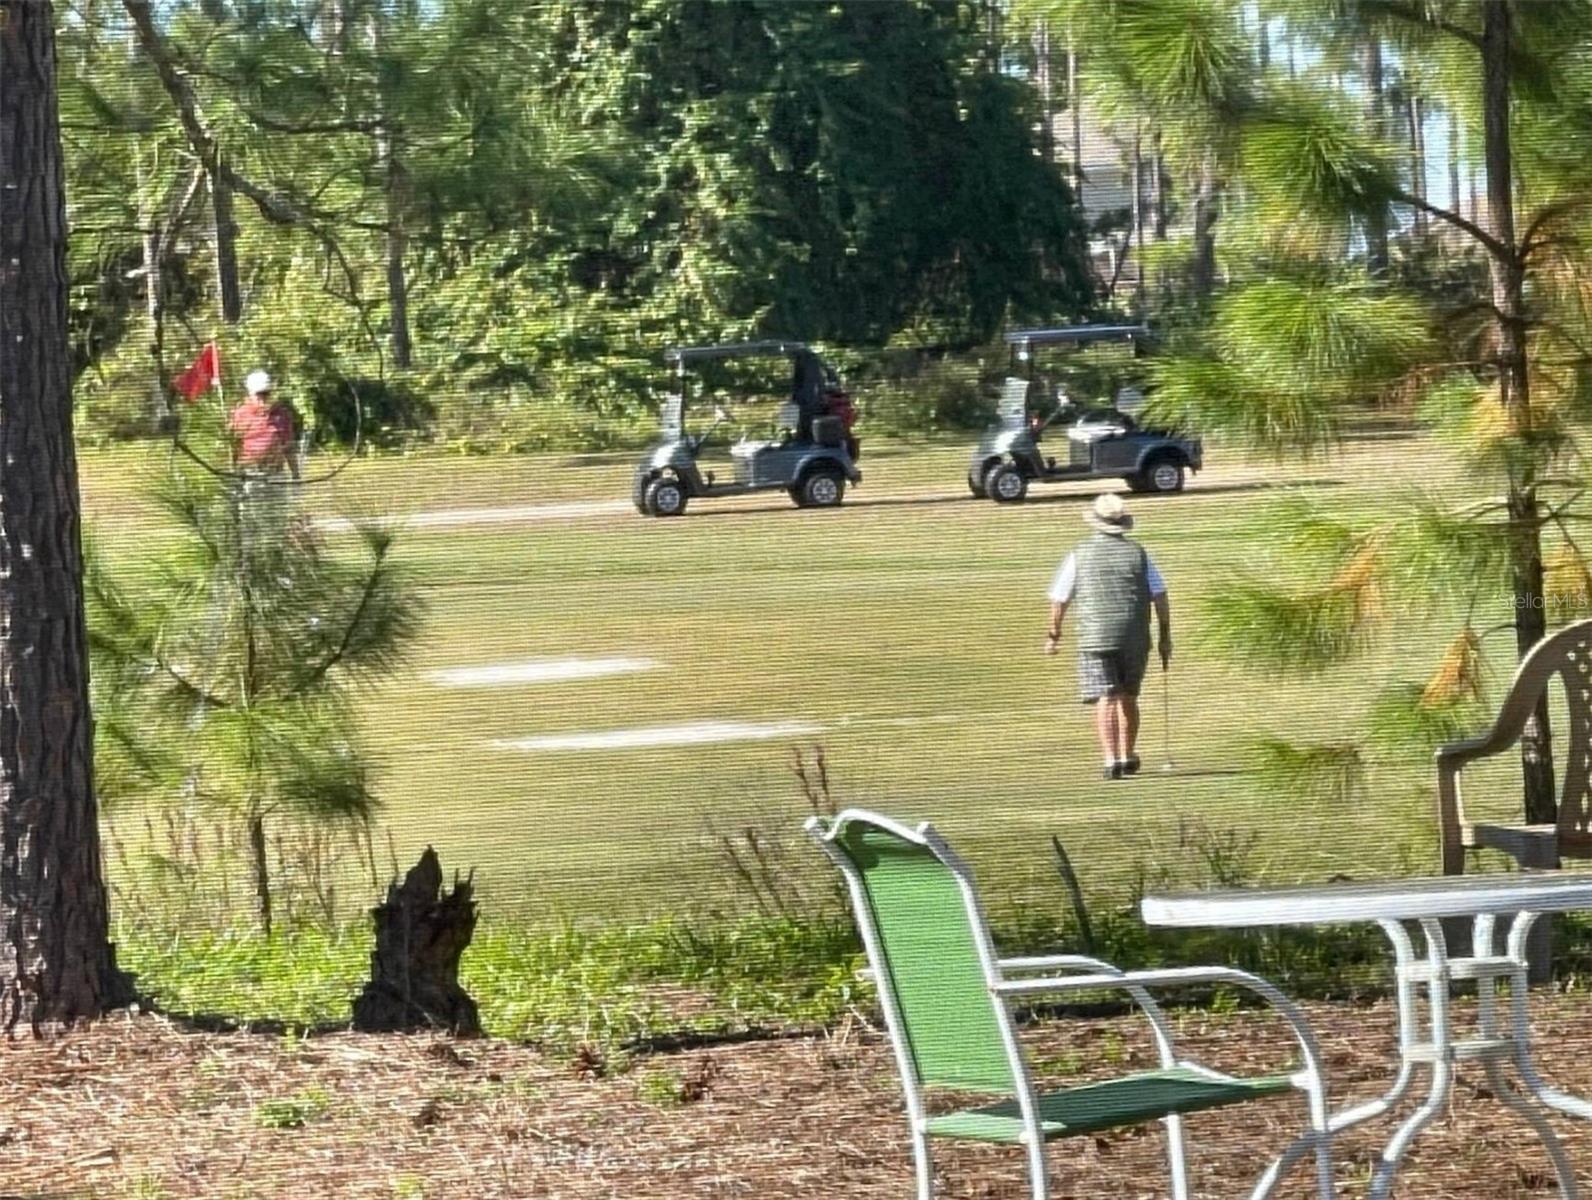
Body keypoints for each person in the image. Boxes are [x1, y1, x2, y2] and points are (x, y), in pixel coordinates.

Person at [1045, 493, 1172, 780]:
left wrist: (1054, 634)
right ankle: (1127, 755)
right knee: (1128, 696)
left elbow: (1060, 599)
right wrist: (1165, 636)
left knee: (1106, 696)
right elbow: (1160, 596)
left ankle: (1110, 759)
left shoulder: (1079, 554)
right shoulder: (1138, 554)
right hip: (1134, 637)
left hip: (1095, 638)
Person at [229, 370, 301, 480]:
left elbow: (289, 446)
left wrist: (295, 474)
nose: (263, 398)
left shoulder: (282, 415)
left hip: (276, 473)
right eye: (259, 394)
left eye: (266, 393)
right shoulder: (241, 414)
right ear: (250, 394)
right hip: (250, 473)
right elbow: (234, 445)